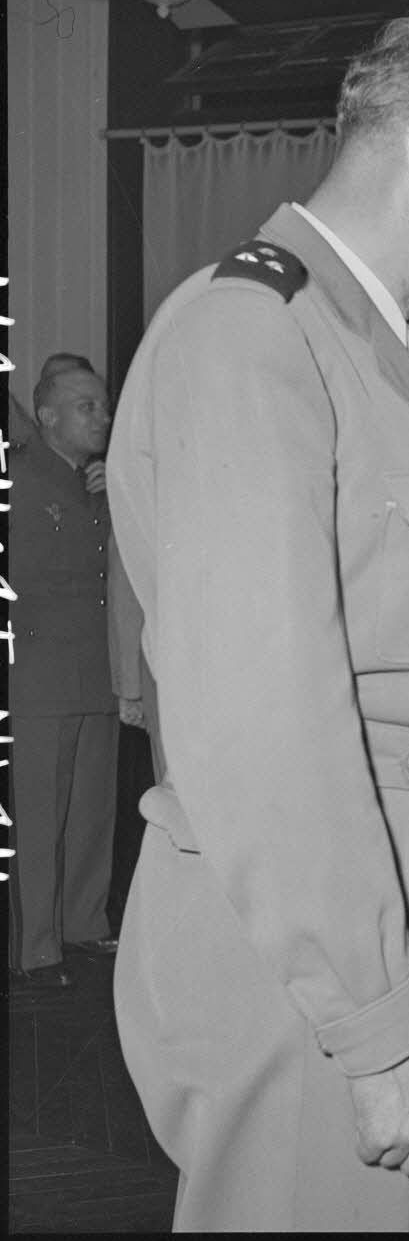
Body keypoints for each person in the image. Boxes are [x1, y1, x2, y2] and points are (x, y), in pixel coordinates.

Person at [106, 15, 409, 1232]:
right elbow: (262, 718)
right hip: (309, 940)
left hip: (387, 895)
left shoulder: (372, 348)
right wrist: (374, 1019)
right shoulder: (253, 332)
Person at [7, 356, 120, 988]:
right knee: (41, 813)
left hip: (98, 671)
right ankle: (37, 947)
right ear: (48, 417)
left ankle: (83, 921)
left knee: (91, 811)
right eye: (88, 407)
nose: (102, 416)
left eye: (104, 406)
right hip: (40, 673)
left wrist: (119, 494)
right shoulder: (20, 480)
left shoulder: (106, 481)